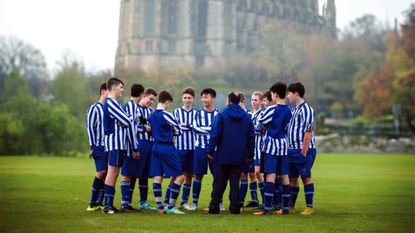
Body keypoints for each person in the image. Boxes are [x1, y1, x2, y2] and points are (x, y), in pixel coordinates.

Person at [207, 92, 255, 214]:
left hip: (223, 153)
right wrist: (250, 155)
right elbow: (251, 137)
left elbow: (215, 133)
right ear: (239, 101)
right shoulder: (246, 116)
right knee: (235, 182)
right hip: (239, 155)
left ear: (228, 101)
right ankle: (234, 207)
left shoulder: (222, 114)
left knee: (219, 182)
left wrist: (210, 150)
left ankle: (214, 207)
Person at [102, 77, 140, 214]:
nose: (123, 90)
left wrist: (125, 120)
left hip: (118, 144)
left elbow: (124, 121)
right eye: (121, 87)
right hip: (115, 143)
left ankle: (109, 205)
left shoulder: (115, 103)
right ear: (114, 88)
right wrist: (127, 120)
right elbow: (126, 120)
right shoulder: (111, 103)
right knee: (112, 173)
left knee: (114, 173)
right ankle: (107, 205)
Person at [254, 82, 292, 215]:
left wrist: (264, 128)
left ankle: (267, 208)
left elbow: (260, 124)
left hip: (271, 146)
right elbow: (288, 128)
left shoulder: (272, 109)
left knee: (270, 174)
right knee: (284, 175)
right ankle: (285, 208)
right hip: (284, 146)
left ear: (275, 95)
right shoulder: (289, 111)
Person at [148, 90, 185, 215]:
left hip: (155, 147)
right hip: (167, 147)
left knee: (158, 177)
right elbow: (178, 131)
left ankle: (160, 206)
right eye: (169, 103)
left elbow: (150, 129)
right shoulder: (167, 114)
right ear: (167, 102)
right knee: (180, 177)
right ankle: (170, 206)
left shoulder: (151, 115)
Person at [286, 82, 317, 216]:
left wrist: (303, 151)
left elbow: (308, 131)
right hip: (292, 150)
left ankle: (309, 207)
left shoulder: (307, 110)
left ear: (296, 94)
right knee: (292, 178)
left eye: (289, 93)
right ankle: (291, 206)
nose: (288, 96)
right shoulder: (294, 110)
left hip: (303, 150)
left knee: (306, 178)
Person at [190, 88, 219, 210]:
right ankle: (195, 203)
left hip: (215, 150)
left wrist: (209, 130)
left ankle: (218, 202)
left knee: (218, 176)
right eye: (202, 97)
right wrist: (212, 129)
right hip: (200, 148)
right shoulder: (197, 113)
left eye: (206, 97)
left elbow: (219, 131)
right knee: (198, 175)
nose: (203, 99)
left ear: (212, 99)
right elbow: (195, 129)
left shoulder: (219, 114)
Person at [119, 84, 145, 212]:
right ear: (141, 94)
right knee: (126, 174)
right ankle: (124, 204)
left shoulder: (133, 107)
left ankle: (126, 203)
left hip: (130, 145)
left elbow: (136, 125)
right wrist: (134, 148)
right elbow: (130, 129)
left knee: (128, 174)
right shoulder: (130, 107)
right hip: (128, 145)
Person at [134, 88, 158, 210]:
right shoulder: (134, 109)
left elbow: (154, 127)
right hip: (138, 144)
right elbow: (131, 126)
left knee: (144, 174)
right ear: (143, 96)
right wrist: (144, 129)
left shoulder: (152, 111)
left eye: (154, 100)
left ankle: (143, 203)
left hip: (150, 145)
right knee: (133, 173)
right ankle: (126, 202)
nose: (151, 102)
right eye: (150, 99)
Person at [173, 87, 197, 210]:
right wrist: (189, 127)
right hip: (180, 148)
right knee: (176, 175)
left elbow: (195, 128)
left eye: (189, 98)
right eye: (185, 98)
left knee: (189, 175)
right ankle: (169, 200)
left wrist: (186, 126)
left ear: (193, 99)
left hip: (193, 148)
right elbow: (175, 128)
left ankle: (183, 202)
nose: (187, 100)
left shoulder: (197, 113)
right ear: (182, 99)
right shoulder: (176, 112)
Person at [86, 83, 108, 211]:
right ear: (103, 91)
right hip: (98, 145)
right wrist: (92, 146)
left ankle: (100, 201)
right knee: (101, 172)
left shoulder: (109, 108)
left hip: (109, 146)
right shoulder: (94, 108)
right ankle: (92, 202)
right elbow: (90, 127)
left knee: (108, 174)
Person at [237, 92, 261, 209]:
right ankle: (254, 199)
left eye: (256, 100)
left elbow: (258, 129)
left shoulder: (262, 114)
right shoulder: (250, 114)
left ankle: (266, 201)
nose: (254, 102)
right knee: (251, 174)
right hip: (248, 149)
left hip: (258, 149)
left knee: (258, 174)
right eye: (252, 100)